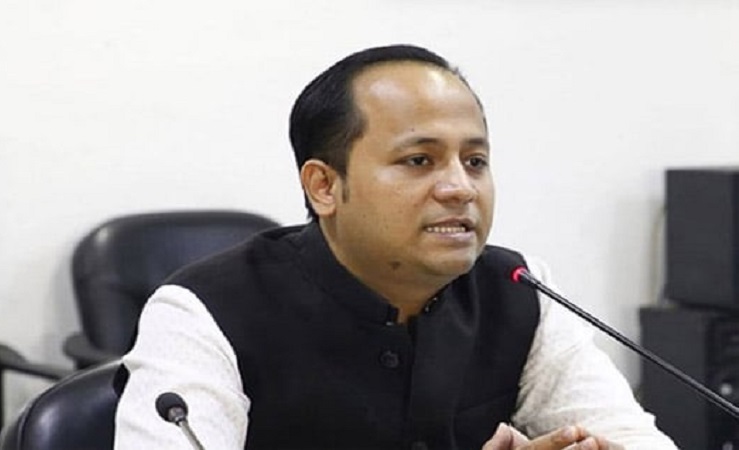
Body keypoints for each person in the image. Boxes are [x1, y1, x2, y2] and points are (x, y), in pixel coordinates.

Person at [114, 44, 677, 449]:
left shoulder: (518, 289)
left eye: (475, 161)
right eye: (419, 160)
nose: (460, 187)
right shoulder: (203, 312)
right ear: (324, 186)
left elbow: (632, 438)